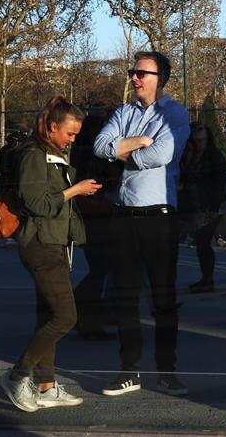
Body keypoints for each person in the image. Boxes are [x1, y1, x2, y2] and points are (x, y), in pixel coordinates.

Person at [93, 51, 190, 397]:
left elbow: (163, 155)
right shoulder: (124, 112)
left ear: (159, 77)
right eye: (132, 71)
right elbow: (99, 145)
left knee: (163, 299)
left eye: (141, 73)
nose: (134, 77)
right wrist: (138, 144)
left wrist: (122, 152)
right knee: (126, 298)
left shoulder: (175, 113)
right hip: (124, 216)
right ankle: (128, 371)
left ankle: (167, 371)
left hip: (158, 217)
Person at [0, 96, 102, 412]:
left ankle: (45, 386)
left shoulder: (51, 153)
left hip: (54, 243)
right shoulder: (33, 154)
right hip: (40, 245)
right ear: (53, 126)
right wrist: (75, 190)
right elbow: (35, 203)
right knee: (66, 316)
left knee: (49, 315)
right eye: (69, 133)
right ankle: (16, 377)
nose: (73, 139)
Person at [71, 108, 122, 339]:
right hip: (99, 213)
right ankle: (82, 308)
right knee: (102, 267)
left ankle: (83, 309)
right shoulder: (95, 155)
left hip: (89, 213)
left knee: (100, 267)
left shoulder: (79, 153)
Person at [180, 123, 226, 293]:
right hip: (190, 203)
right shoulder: (189, 154)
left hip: (206, 204)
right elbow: (183, 176)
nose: (197, 134)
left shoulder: (214, 156)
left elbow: (218, 182)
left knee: (203, 243)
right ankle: (206, 278)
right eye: (194, 130)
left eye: (201, 130)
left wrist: (213, 206)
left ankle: (208, 279)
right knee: (200, 243)